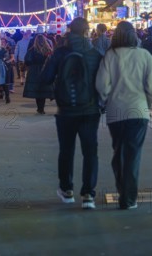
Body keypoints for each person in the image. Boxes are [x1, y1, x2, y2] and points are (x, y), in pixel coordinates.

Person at [96, 21, 152, 210]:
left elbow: (101, 85)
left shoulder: (110, 56)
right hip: (138, 111)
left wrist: (107, 99)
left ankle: (122, 188)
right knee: (133, 155)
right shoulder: (144, 56)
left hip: (116, 112)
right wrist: (148, 103)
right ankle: (129, 197)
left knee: (118, 152)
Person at [42, 17, 102, 210]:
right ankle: (88, 195)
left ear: (70, 31)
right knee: (90, 152)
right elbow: (101, 82)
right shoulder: (95, 53)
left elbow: (45, 78)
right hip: (90, 109)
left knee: (66, 150)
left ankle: (66, 190)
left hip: (66, 109)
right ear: (87, 31)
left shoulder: (60, 52)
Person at [23, 34, 53, 114]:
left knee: (37, 90)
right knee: (43, 89)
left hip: (34, 71)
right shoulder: (48, 50)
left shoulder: (32, 50)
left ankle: (39, 108)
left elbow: (27, 61)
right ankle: (42, 108)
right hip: (45, 70)